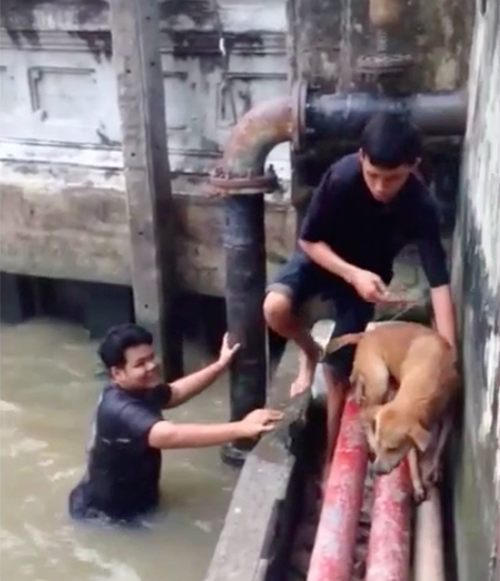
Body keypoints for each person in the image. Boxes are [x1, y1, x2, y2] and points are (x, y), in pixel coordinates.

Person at [263, 113, 456, 476]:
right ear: (361, 158)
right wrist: (352, 274)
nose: (381, 187)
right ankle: (308, 352)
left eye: (393, 178)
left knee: (339, 379)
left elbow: (439, 283)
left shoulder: (421, 206)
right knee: (274, 308)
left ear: (412, 168)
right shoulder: (341, 177)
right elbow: (308, 239)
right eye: (373, 175)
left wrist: (448, 353)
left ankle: (330, 462)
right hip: (324, 259)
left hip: (368, 281)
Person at [69, 324, 282, 524]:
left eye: (151, 357)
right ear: (117, 373)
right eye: (140, 364)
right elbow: (168, 435)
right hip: (106, 516)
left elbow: (176, 392)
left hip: (133, 501)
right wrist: (242, 428)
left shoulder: (139, 388)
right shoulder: (119, 409)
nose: (152, 366)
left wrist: (219, 365)